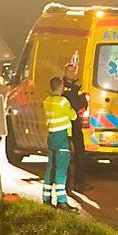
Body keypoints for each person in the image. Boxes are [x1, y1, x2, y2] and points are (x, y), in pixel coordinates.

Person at [42, 76, 78, 211]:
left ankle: (46, 198)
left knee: (51, 167)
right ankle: (62, 201)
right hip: (62, 137)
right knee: (61, 170)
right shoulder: (63, 102)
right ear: (60, 86)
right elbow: (73, 116)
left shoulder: (47, 101)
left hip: (51, 137)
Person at [61, 63, 90, 193]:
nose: (72, 74)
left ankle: (80, 183)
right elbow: (68, 102)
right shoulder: (62, 87)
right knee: (66, 156)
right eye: (69, 71)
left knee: (80, 154)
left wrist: (77, 102)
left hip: (76, 124)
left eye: (73, 71)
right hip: (65, 125)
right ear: (65, 72)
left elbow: (83, 102)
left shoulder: (78, 86)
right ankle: (66, 185)